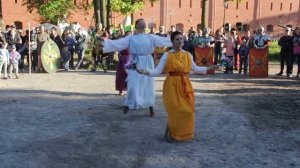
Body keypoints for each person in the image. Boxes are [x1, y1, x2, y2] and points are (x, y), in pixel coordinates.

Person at [136, 31, 217, 142]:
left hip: (185, 85)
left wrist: (209, 68)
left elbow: (196, 69)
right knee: (175, 110)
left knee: (188, 110)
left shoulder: (188, 55)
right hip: (172, 85)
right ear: (172, 42)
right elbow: (158, 70)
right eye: (177, 39)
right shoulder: (167, 55)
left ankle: (174, 130)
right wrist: (145, 71)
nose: (179, 41)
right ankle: (171, 132)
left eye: (181, 38)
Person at [101, 18, 172, 117]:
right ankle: (128, 104)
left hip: (147, 61)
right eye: (141, 23)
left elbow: (163, 41)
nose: (144, 25)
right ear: (136, 26)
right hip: (134, 61)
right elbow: (119, 43)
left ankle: (151, 106)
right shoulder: (131, 38)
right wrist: (106, 42)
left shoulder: (150, 37)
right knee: (133, 83)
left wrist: (174, 38)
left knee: (148, 85)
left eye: (144, 23)